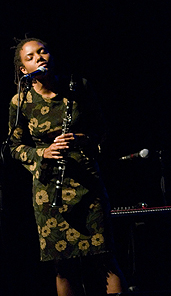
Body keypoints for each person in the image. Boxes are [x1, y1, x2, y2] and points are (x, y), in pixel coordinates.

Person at [7, 38, 126, 295]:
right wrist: (43, 153)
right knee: (63, 266)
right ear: (23, 70)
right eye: (30, 57)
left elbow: (104, 131)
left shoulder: (79, 87)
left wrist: (84, 138)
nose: (39, 58)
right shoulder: (21, 102)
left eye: (43, 51)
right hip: (49, 190)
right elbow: (13, 148)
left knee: (104, 259)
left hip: (87, 183)